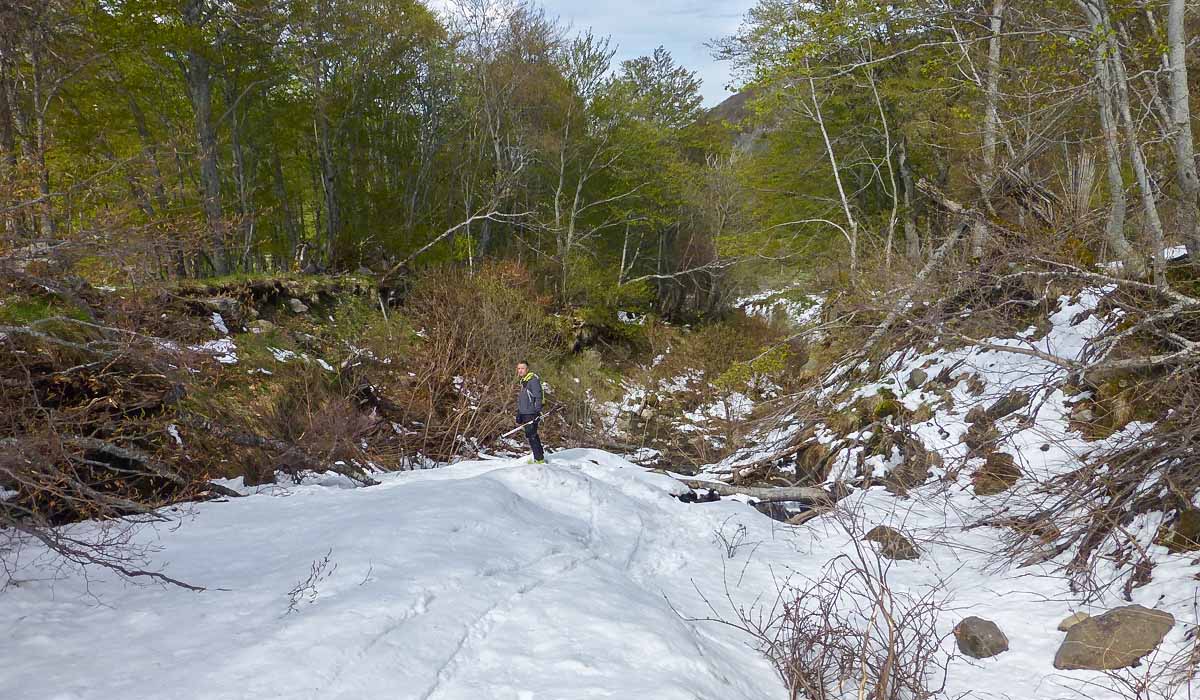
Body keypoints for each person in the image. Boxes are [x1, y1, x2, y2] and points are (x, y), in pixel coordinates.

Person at [515, 361, 545, 463]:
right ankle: (539, 456)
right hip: (525, 412)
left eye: (522, 368)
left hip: (531, 413)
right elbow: (523, 399)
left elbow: (538, 396)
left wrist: (537, 412)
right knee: (531, 435)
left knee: (532, 435)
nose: (520, 370)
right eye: (519, 369)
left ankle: (539, 459)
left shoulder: (533, 380)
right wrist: (519, 412)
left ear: (527, 369)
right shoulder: (523, 381)